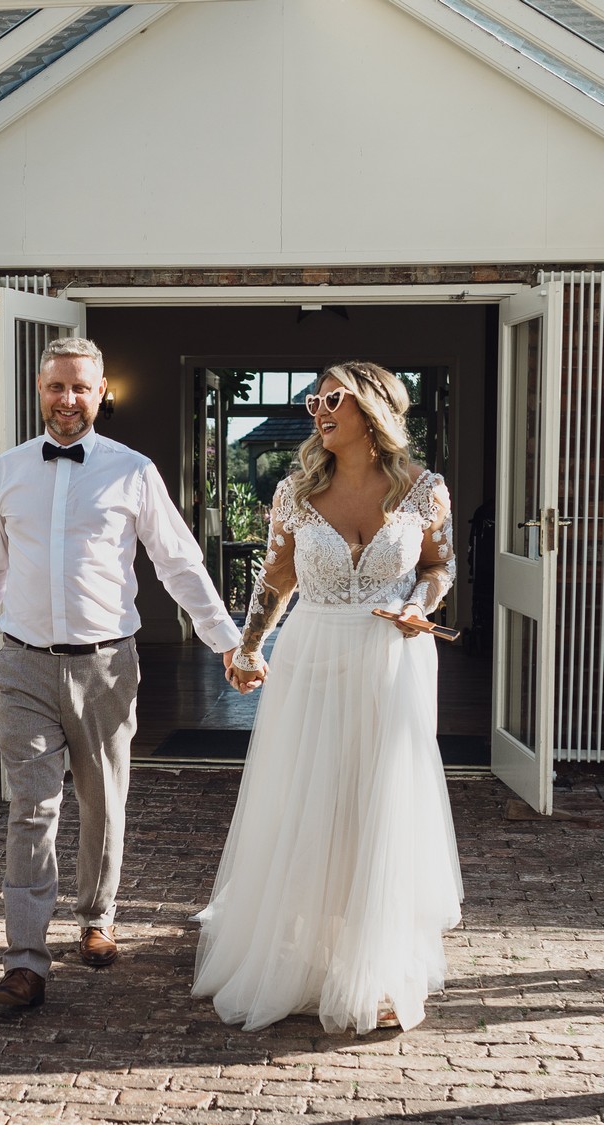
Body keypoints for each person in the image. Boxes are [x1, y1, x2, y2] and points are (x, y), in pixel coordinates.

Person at [0, 337, 241, 1010]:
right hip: (22, 662)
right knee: (31, 809)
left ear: (101, 392)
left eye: (80, 387)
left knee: (104, 801)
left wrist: (225, 641)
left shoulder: (132, 471)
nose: (68, 399)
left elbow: (178, 562)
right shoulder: (9, 468)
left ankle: (97, 915)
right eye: (56, 386)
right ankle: (25, 961)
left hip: (107, 665)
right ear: (39, 389)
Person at [192, 361, 463, 1034]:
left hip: (391, 662)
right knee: (309, 801)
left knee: (380, 805)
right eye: (315, 399)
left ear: (373, 409)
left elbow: (440, 566)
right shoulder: (294, 492)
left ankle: (375, 963)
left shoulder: (425, 489)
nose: (318, 410)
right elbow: (276, 579)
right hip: (312, 658)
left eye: (332, 398)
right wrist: (249, 646)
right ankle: (306, 960)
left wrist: (420, 605)